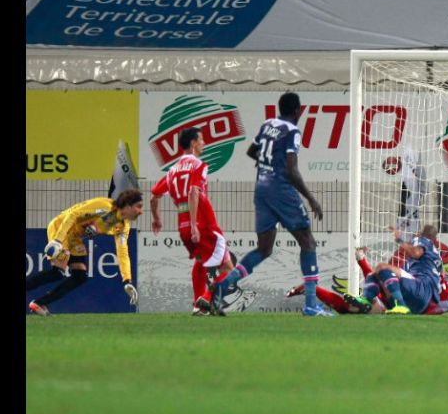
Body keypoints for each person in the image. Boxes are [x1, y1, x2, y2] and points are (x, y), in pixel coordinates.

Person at [210, 92, 330, 316]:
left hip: (262, 189)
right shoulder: (292, 131)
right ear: (298, 111)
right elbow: (292, 170)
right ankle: (311, 305)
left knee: (264, 248)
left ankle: (223, 285)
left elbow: (251, 151)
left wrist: (268, 164)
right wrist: (311, 199)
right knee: (308, 242)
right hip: (280, 190)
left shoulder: (268, 125)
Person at [150, 127, 235, 316]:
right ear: (193, 143)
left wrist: (157, 219)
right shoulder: (199, 165)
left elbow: (154, 196)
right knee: (228, 269)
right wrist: (196, 224)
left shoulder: (172, 171)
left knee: (200, 261)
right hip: (203, 222)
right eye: (201, 139)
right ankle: (206, 297)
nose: (204, 143)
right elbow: (193, 191)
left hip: (183, 225)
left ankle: (198, 307)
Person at [26, 189, 144, 315]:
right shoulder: (104, 206)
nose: (141, 211)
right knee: (58, 272)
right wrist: (58, 240)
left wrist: (127, 280)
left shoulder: (123, 227)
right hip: (61, 227)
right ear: (128, 205)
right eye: (138, 206)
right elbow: (73, 214)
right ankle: (38, 303)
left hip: (75, 237)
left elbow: (122, 252)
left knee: (80, 276)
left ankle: (39, 303)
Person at [287, 249, 448, 316]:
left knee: (351, 307)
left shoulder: (440, 279)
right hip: (410, 301)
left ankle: (313, 289)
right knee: (356, 306)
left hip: (395, 295)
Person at [343, 224, 443, 315]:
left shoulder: (424, 240)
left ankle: (395, 304)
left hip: (421, 288)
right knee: (377, 276)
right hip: (420, 304)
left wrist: (399, 239)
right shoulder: (435, 258)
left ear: (421, 233)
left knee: (381, 267)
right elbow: (441, 278)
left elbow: (416, 252)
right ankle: (368, 303)